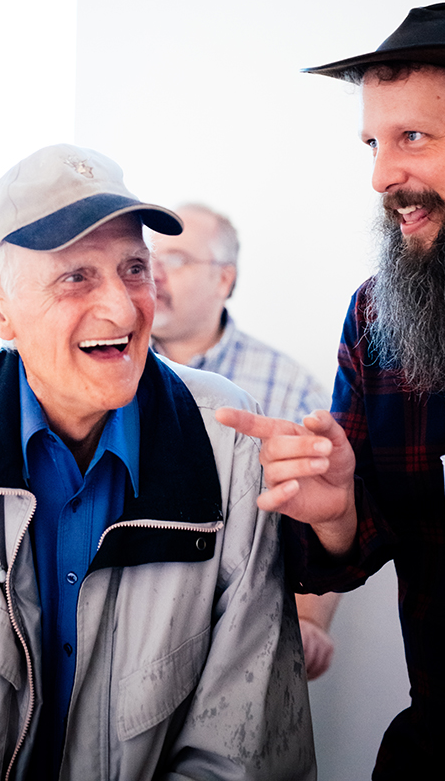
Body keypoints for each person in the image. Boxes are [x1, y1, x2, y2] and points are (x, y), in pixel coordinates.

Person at [0, 143, 315, 781]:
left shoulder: (226, 438)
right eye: (76, 276)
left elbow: (246, 752)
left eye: (134, 268)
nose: (123, 308)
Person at [217, 2, 445, 778]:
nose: (381, 177)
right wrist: (335, 510)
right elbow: (353, 547)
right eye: (373, 144)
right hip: (441, 748)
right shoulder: (378, 314)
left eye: (412, 137)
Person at [150, 202, 339, 680]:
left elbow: (323, 509)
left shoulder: (289, 389)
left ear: (224, 279)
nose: (154, 273)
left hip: (238, 645)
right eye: (147, 258)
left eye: (177, 259)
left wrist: (311, 621)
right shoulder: (112, 369)